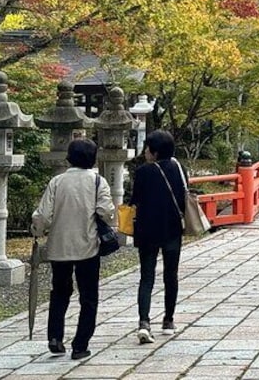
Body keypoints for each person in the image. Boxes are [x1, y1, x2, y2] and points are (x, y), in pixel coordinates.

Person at [31, 138, 113, 361]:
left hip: (59, 246)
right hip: (88, 245)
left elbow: (43, 215)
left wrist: (37, 231)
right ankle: (80, 344)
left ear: (69, 157)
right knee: (88, 297)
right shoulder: (98, 181)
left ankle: (55, 337)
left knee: (59, 292)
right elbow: (105, 211)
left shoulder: (57, 182)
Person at [131, 129, 187, 343]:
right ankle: (168, 320)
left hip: (147, 230)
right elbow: (184, 196)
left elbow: (135, 199)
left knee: (147, 276)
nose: (145, 152)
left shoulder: (144, 171)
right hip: (172, 228)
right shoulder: (178, 168)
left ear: (154, 152)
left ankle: (144, 322)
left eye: (147, 148)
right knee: (170, 274)